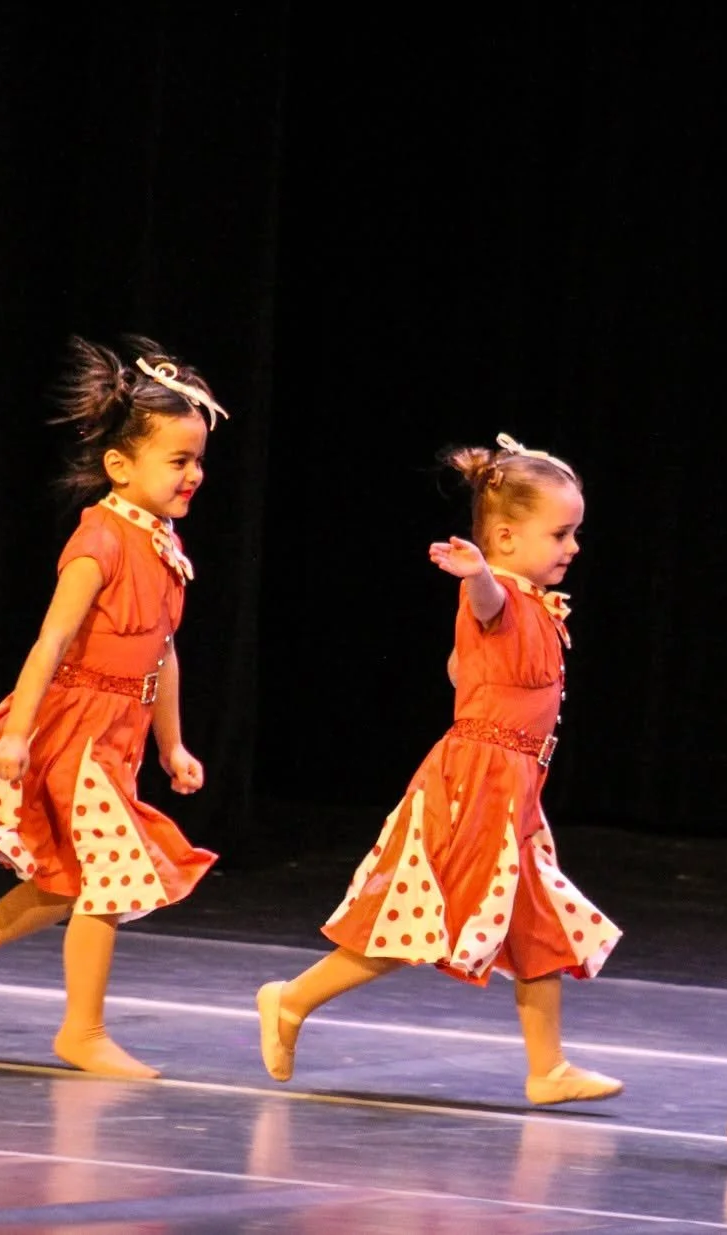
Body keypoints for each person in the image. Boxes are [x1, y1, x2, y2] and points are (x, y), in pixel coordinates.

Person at [255, 434, 623, 1106]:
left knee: (536, 922)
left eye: (576, 533)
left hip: (513, 786)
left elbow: (465, 671)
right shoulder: (499, 595)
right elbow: (486, 605)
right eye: (561, 533)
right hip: (474, 785)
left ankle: (548, 1068)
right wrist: (478, 572)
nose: (572, 547)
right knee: (419, 920)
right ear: (507, 538)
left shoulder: (537, 607)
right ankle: (292, 998)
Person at [0, 335, 225, 1079]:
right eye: (178, 460)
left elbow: (161, 650)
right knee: (112, 875)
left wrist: (171, 745)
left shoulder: (162, 544)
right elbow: (50, 641)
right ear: (122, 466)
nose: (195, 474)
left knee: (68, 882)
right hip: (74, 729)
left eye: (197, 459)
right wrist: (18, 733)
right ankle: (81, 1030)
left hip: (118, 735)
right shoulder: (101, 541)